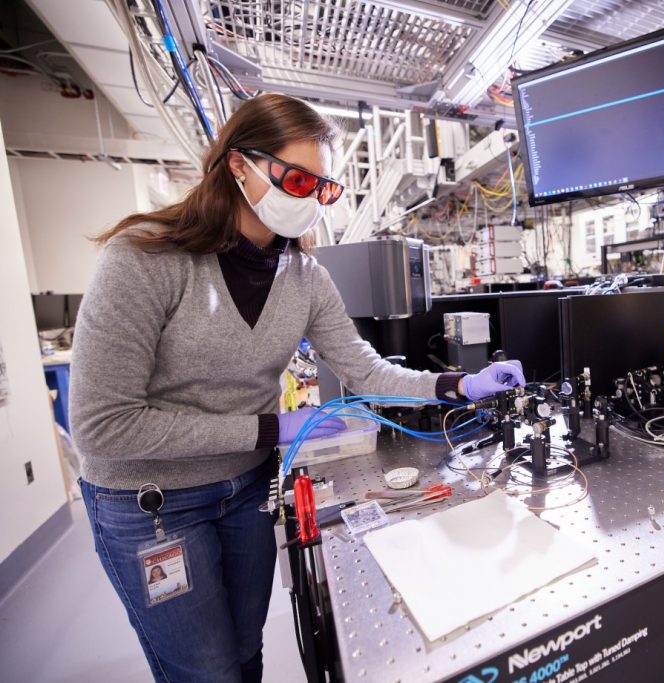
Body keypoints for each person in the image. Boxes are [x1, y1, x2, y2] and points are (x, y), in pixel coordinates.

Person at [69, 94, 526, 682]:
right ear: (240, 164)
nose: (311, 197)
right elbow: (102, 424)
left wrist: (459, 383)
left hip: (248, 490)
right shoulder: (145, 259)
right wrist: (269, 428)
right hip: (152, 502)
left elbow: (367, 372)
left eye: (324, 187)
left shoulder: (304, 276)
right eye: (298, 178)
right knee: (207, 673)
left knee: (245, 653)